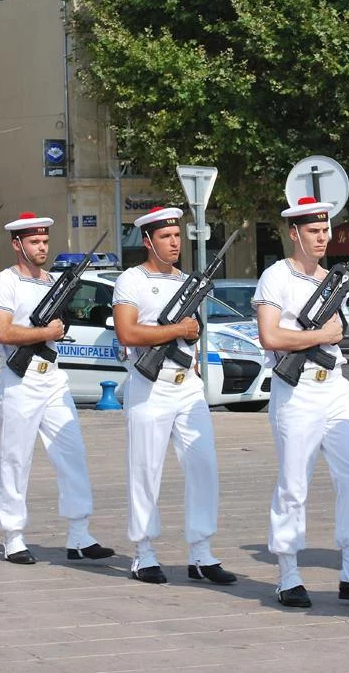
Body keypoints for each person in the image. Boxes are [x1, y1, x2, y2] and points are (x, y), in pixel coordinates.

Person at [254, 196, 349, 608]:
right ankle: (288, 574)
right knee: (294, 484)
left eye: (325, 230)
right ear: (294, 234)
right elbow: (271, 337)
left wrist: (327, 337)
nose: (322, 238)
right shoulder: (275, 277)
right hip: (296, 392)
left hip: (333, 386)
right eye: (313, 231)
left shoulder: (331, 280)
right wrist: (319, 336)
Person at [112, 206, 235, 585]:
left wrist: (191, 335)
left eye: (178, 236)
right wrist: (176, 329)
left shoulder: (187, 281)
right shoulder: (130, 281)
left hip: (187, 385)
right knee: (146, 470)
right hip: (149, 385)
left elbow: (189, 331)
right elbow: (128, 334)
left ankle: (201, 552)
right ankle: (143, 552)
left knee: (203, 466)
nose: (174, 242)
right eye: (166, 237)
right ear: (148, 241)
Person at [0, 212, 114, 565]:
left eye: (44, 241)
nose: (42, 247)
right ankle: (13, 536)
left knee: (71, 452)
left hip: (52, 376)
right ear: (17, 244)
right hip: (21, 379)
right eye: (34, 242)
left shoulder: (51, 281)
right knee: (16, 458)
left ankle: (79, 533)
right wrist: (45, 332)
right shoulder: (5, 281)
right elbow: (3, 332)